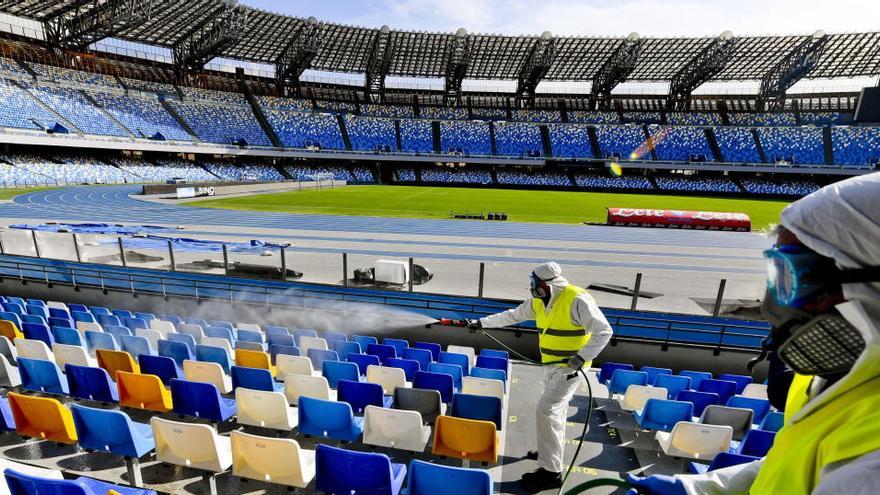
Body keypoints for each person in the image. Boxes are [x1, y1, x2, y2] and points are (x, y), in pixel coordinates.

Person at [627, 173, 880, 494]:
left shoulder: (870, 474)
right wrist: (701, 489)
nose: (772, 305)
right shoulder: (831, 379)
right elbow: (790, 463)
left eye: (792, 275)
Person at [467, 261, 613, 491]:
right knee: (556, 412)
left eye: (533, 282)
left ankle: (551, 473)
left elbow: (604, 331)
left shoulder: (577, 299)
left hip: (570, 369)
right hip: (550, 366)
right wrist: (481, 323)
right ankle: (549, 452)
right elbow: (512, 315)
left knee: (546, 410)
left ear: (546, 284)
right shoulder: (538, 302)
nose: (531, 286)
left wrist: (581, 357)